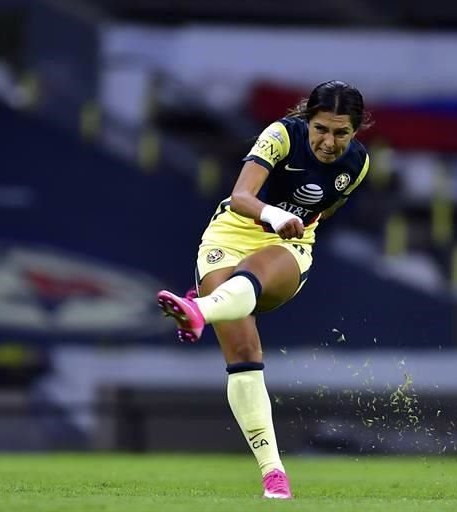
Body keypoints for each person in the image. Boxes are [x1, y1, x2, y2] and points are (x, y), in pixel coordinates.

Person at [157, 80, 371, 499]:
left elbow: (324, 211)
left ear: (356, 130)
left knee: (254, 273)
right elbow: (240, 196)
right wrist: (272, 214)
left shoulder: (358, 165)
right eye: (322, 129)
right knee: (244, 356)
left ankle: (200, 310)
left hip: (289, 246)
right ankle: (274, 474)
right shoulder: (280, 135)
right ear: (308, 120)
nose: (329, 142)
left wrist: (290, 226)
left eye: (341, 132)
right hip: (231, 235)